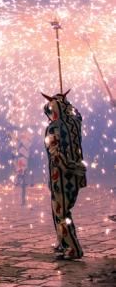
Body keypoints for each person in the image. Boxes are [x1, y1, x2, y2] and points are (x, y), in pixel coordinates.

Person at [42, 90, 86, 260]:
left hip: (61, 176)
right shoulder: (75, 122)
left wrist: (67, 167)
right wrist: (64, 100)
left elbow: (54, 152)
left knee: (61, 212)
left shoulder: (53, 127)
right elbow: (77, 114)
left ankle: (73, 248)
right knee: (61, 210)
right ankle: (62, 242)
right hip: (77, 175)